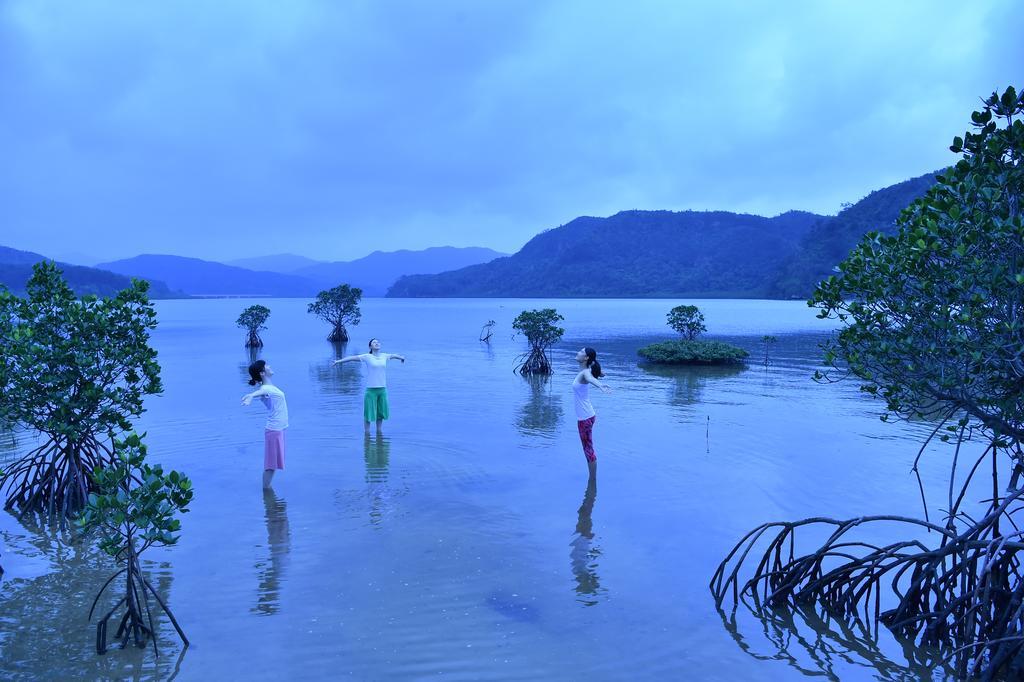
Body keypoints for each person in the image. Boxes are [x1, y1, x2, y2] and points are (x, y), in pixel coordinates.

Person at [334, 338, 406, 435]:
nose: (377, 343)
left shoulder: (384, 356)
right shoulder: (367, 356)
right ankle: (367, 435)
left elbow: (394, 356)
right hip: (371, 390)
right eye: (374, 342)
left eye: (378, 342)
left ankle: (379, 434)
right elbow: (352, 358)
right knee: (368, 414)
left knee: (380, 414)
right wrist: (338, 361)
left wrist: (401, 358)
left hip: (382, 389)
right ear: (370, 346)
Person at [241, 360, 289, 489]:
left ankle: (268, 496)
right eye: (267, 366)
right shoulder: (265, 388)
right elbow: (261, 392)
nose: (270, 366)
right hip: (274, 430)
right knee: (270, 466)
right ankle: (266, 492)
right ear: (262, 373)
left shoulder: (270, 387)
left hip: (278, 429)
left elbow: (263, 391)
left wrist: (253, 395)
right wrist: (251, 395)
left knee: (273, 466)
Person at [573, 347, 611, 478]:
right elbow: (594, 373)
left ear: (586, 358)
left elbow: (590, 378)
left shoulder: (585, 373)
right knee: (587, 448)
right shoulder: (586, 369)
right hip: (587, 415)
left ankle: (592, 481)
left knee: (588, 449)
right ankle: (592, 481)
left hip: (585, 418)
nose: (578, 352)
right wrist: (600, 373)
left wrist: (600, 385)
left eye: (581, 352)